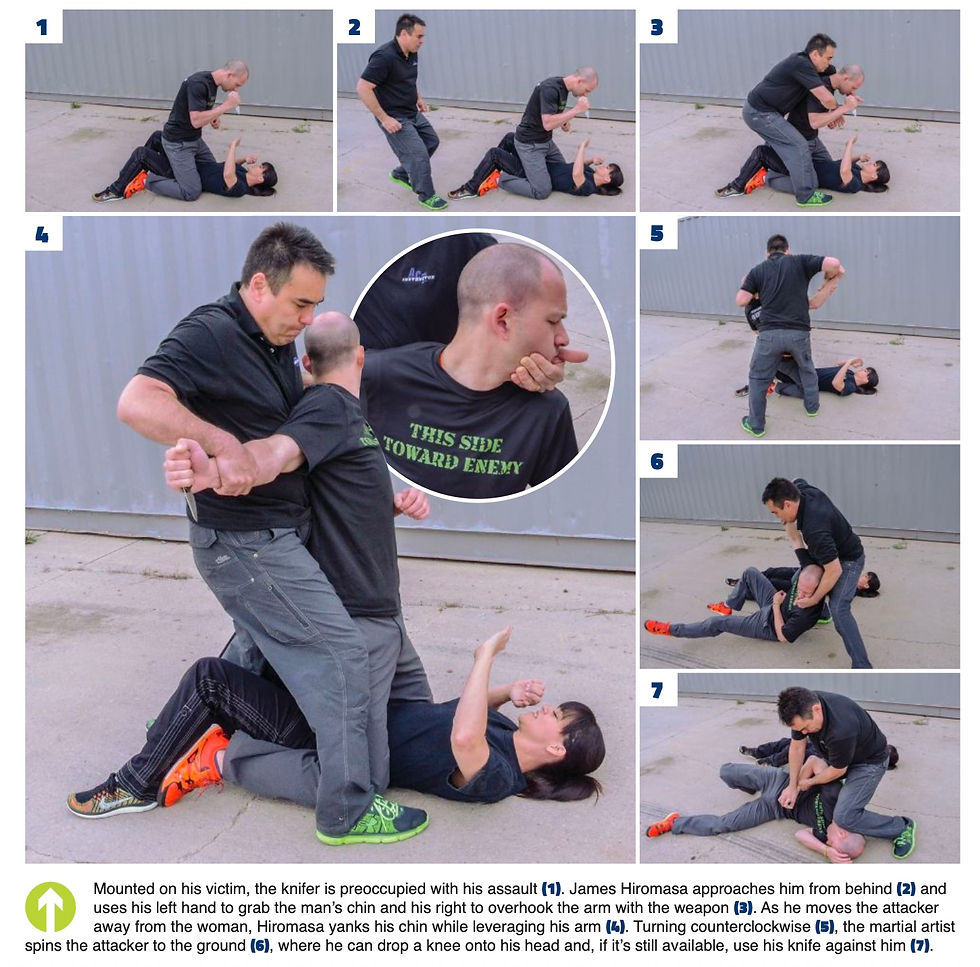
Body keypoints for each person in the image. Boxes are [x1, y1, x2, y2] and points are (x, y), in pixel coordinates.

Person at [114, 223, 426, 845]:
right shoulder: (213, 332)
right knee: (339, 654)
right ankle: (346, 811)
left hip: (277, 536)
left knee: (256, 650)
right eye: (300, 303)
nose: (307, 318)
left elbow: (303, 447)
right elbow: (138, 401)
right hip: (246, 540)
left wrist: (375, 501)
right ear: (260, 284)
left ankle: (183, 734)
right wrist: (215, 447)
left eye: (314, 305)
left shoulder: (276, 344)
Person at [68, 627, 605, 823]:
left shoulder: (498, 780)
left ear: (557, 750)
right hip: (351, 709)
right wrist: (506, 693)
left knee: (211, 680)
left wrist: (485, 657)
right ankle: (176, 731)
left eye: (553, 716)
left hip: (334, 735)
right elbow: (458, 711)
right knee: (264, 635)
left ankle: (135, 785)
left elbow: (463, 735)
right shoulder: (505, 734)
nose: (542, 709)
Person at [360, 243, 580, 498]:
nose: (563, 338)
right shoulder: (375, 378)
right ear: (502, 320)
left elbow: (567, 503)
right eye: (553, 321)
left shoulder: (547, 412)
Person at [775, 687, 916, 858]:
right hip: (841, 756)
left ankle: (901, 826)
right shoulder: (802, 705)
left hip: (868, 764)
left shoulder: (841, 729)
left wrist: (810, 782)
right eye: (800, 729)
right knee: (815, 767)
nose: (803, 732)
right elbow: (797, 747)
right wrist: (792, 787)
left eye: (805, 728)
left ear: (817, 709)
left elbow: (837, 770)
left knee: (844, 817)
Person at [645, 760, 867, 864]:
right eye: (832, 844)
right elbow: (814, 761)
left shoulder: (822, 836)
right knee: (726, 771)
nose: (827, 842)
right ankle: (750, 785)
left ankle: (674, 823)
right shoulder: (838, 799)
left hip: (772, 808)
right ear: (843, 833)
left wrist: (826, 852)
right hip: (779, 780)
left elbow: (800, 835)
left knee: (723, 824)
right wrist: (795, 787)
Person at [737, 234, 844, 436]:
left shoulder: (758, 270)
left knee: (758, 378)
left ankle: (756, 425)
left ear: (767, 253)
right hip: (799, 334)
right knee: (807, 370)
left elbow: (741, 300)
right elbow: (834, 263)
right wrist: (832, 275)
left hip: (770, 335)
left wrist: (753, 290)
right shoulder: (799, 261)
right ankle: (812, 408)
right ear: (788, 250)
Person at [762, 477, 872, 668]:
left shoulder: (815, 530)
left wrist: (813, 600)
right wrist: (790, 526)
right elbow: (798, 479)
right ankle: (821, 611)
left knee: (839, 608)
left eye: (776, 513)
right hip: (827, 554)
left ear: (787, 504)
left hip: (848, 561)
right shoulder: (802, 492)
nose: (777, 518)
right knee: (801, 578)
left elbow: (834, 570)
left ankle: (862, 666)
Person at [718, 62, 867, 198]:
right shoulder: (821, 88)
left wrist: (831, 114)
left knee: (827, 169)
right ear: (846, 78)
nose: (852, 93)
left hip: (812, 139)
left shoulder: (831, 76)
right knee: (810, 182)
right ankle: (759, 173)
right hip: (798, 140)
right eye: (853, 88)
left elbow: (817, 115)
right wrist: (844, 108)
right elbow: (814, 122)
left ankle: (774, 156)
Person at [741, 34, 852, 207]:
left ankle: (767, 164)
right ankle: (805, 196)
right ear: (815, 54)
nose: (830, 63)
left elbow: (836, 75)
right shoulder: (801, 64)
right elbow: (826, 98)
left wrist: (844, 91)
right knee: (798, 145)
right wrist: (839, 109)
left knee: (790, 145)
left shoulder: (820, 67)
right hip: (759, 112)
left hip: (771, 113)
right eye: (828, 58)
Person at [356, 13, 446, 210]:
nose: (422, 41)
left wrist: (418, 99)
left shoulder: (411, 53)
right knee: (419, 155)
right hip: (394, 117)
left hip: (411, 111)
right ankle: (426, 195)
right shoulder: (384, 57)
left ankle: (401, 173)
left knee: (432, 141)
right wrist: (384, 119)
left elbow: (408, 81)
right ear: (404, 34)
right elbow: (363, 87)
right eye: (419, 36)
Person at [643, 562, 826, 646]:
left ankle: (671, 629)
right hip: (773, 604)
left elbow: (782, 636)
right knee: (750, 572)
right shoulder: (805, 576)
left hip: (767, 626)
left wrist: (777, 605)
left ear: (819, 590)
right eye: (799, 588)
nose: (800, 593)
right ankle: (728, 605)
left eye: (806, 593)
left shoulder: (806, 615)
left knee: (717, 623)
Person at [143, 60, 249, 202]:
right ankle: (147, 179)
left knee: (211, 168)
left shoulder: (212, 84)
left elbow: (197, 110)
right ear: (229, 75)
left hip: (193, 139)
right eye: (237, 85)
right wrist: (226, 106)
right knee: (191, 191)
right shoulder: (198, 83)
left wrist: (213, 116)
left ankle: (179, 170)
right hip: (178, 142)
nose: (235, 90)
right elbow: (196, 121)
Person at [499, 68, 598, 200]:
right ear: (580, 81)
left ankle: (531, 170)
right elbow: (548, 124)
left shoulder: (563, 89)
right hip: (530, 142)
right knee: (542, 190)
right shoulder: (551, 88)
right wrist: (576, 110)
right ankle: (502, 178)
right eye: (587, 90)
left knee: (561, 168)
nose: (585, 95)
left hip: (544, 141)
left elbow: (551, 116)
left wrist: (564, 122)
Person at [93, 132, 277, 203]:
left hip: (186, 174)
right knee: (158, 136)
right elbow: (232, 166)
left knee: (142, 153)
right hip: (194, 164)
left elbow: (228, 173)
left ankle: (116, 190)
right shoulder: (244, 173)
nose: (257, 165)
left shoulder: (240, 189)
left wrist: (232, 147)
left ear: (260, 178)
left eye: (261, 167)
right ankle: (139, 172)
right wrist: (245, 158)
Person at [449, 134, 623, 200]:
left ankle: (471, 188)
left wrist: (582, 149)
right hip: (542, 164)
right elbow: (580, 167)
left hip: (535, 174)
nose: (604, 166)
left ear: (607, 178)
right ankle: (490, 173)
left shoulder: (589, 188)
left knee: (495, 154)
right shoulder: (591, 173)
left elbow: (577, 173)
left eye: (607, 168)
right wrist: (592, 160)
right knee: (511, 138)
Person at [739, 736, 898, 770]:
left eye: (886, 752)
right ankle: (756, 751)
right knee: (786, 742)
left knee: (795, 751)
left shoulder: (870, 761)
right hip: (824, 746)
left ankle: (769, 761)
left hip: (826, 756)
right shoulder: (870, 741)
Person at [776, 356, 879, 399]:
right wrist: (851, 362)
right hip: (808, 371)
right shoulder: (850, 372)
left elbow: (836, 383)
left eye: (865, 371)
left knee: (780, 369)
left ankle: (775, 384)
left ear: (866, 380)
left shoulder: (851, 387)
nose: (862, 369)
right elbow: (838, 363)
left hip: (805, 380)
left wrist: (849, 362)